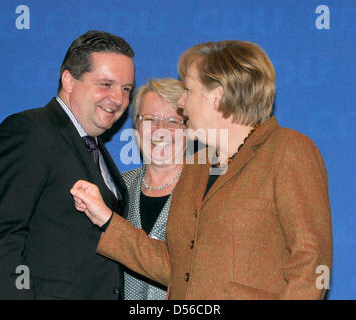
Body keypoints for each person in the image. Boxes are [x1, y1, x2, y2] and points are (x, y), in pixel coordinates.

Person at [71, 40, 333, 299]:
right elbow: (178, 267)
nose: (182, 103)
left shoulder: (287, 149)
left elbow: (311, 265)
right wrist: (107, 220)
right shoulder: (199, 166)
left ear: (216, 96)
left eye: (188, 90)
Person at [0, 30, 135, 299]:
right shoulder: (31, 132)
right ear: (68, 80)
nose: (118, 99)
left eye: (126, 89)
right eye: (105, 84)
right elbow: (0, 235)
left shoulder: (92, 146)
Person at [120, 78, 185, 300]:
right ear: (136, 127)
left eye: (173, 122)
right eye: (149, 119)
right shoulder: (115, 188)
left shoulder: (206, 192)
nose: (160, 131)